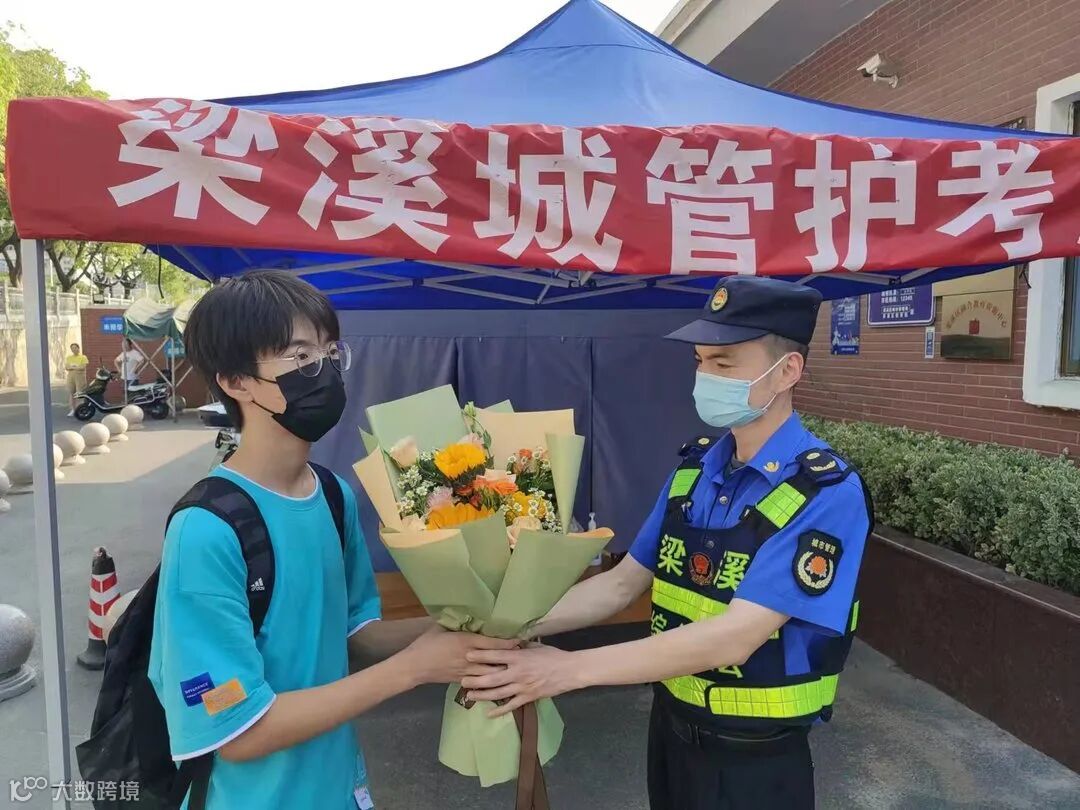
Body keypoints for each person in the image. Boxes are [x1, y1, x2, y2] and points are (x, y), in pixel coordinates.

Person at [461, 276, 873, 810]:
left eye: (724, 363)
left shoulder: (825, 491)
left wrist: (565, 670)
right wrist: (509, 625)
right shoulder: (695, 470)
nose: (705, 377)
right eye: (700, 362)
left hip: (756, 763)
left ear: (787, 371)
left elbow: (736, 637)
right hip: (671, 735)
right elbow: (621, 584)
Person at [150, 270, 513, 809]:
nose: (322, 370)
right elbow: (238, 731)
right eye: (299, 356)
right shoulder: (205, 531)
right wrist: (414, 669)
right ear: (237, 381)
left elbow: (357, 631)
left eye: (329, 351)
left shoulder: (333, 494)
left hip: (341, 789)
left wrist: (475, 626)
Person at [64, 342, 89, 416]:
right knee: (72, 393)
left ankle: (80, 409)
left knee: (80, 393)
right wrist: (76, 367)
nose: (74, 349)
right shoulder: (69, 358)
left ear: (78, 348)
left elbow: (83, 367)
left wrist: (72, 367)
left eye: (75, 348)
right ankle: (72, 409)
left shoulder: (83, 357)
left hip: (80, 377)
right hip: (71, 377)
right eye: (72, 348)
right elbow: (67, 367)